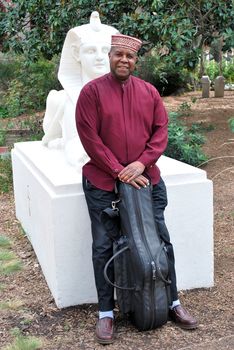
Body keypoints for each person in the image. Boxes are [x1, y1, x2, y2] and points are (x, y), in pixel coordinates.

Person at [76, 34, 198, 345]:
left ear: (136, 61)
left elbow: (160, 132)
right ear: (110, 56)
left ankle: (173, 303)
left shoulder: (149, 92)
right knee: (104, 245)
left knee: (161, 240)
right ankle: (106, 313)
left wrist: (141, 164)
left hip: (148, 180)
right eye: (119, 55)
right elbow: (89, 137)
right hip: (103, 182)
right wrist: (119, 170)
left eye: (129, 57)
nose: (124, 61)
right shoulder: (91, 93)